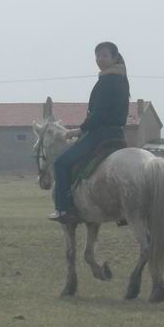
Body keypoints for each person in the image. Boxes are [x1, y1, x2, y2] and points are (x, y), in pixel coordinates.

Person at [48, 41, 130, 222]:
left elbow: (98, 115)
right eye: (97, 56)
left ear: (114, 58)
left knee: (61, 163)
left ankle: (63, 209)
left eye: (104, 55)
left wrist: (79, 130)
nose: (100, 59)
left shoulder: (106, 81)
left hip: (99, 136)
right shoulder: (123, 81)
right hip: (118, 136)